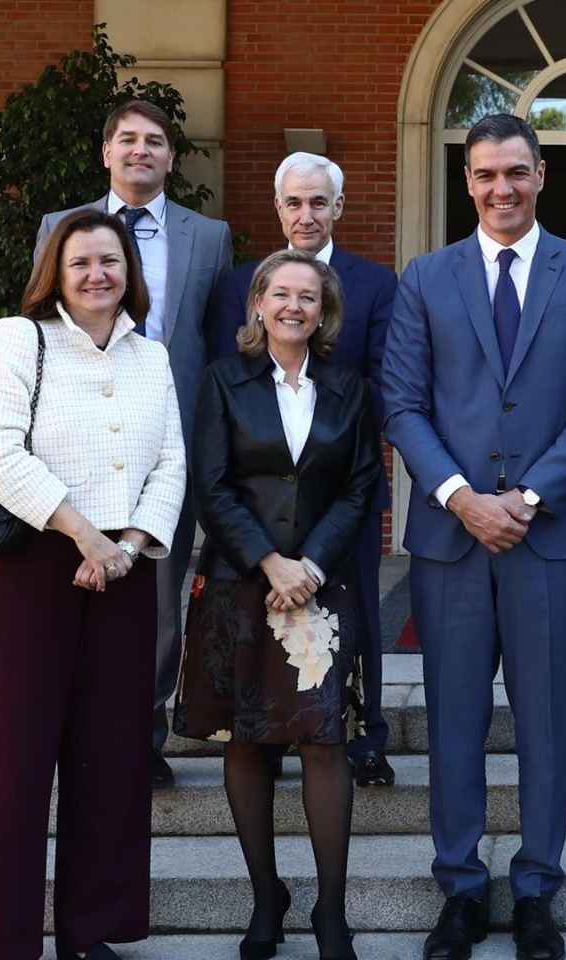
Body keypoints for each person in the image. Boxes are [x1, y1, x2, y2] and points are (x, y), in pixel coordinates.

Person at [381, 112, 566, 960]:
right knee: (453, 716)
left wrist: (523, 496)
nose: (500, 189)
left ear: (542, 173)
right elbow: (402, 403)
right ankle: (460, 887)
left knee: (546, 719)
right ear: (467, 180)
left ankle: (535, 890)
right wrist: (460, 497)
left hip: (548, 537)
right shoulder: (427, 276)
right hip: (451, 539)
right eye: (485, 175)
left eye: (515, 172)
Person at [0, 209, 186, 960]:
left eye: (112, 261)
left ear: (132, 271)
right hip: (32, 575)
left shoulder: (150, 357)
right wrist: (83, 534)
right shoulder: (18, 338)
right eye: (82, 262)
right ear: (55, 273)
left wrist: (124, 546)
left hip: (120, 579)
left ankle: (91, 934)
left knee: (111, 763)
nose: (99, 274)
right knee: (22, 767)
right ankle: (3, 943)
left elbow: (171, 464)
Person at [176, 249, 378, 960]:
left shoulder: (348, 386)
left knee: (324, 739)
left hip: (321, 589)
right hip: (240, 584)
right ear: (258, 303)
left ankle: (331, 910)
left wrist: (310, 566)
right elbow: (212, 483)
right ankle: (267, 896)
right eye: (282, 293)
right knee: (250, 739)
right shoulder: (222, 382)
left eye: (310, 297)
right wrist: (270, 562)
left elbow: (360, 486)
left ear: (325, 313)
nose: (295, 306)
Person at [36, 98, 235, 788]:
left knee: (157, 596)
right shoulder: (59, 230)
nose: (140, 151)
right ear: (106, 151)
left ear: (171, 157)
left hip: (166, 447)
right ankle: (69, 732)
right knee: (71, 588)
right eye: (127, 139)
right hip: (76, 447)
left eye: (154, 141)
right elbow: (40, 329)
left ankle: (140, 737)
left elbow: (216, 349)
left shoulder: (209, 238)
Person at [206, 152, 399, 787]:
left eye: (319, 202)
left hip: (340, 488)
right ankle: (268, 726)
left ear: (338, 208)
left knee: (360, 613)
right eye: (295, 201)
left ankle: (363, 733)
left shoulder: (375, 284)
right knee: (256, 616)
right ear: (278, 207)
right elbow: (225, 385)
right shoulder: (237, 285)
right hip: (256, 499)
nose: (306, 213)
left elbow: (381, 385)